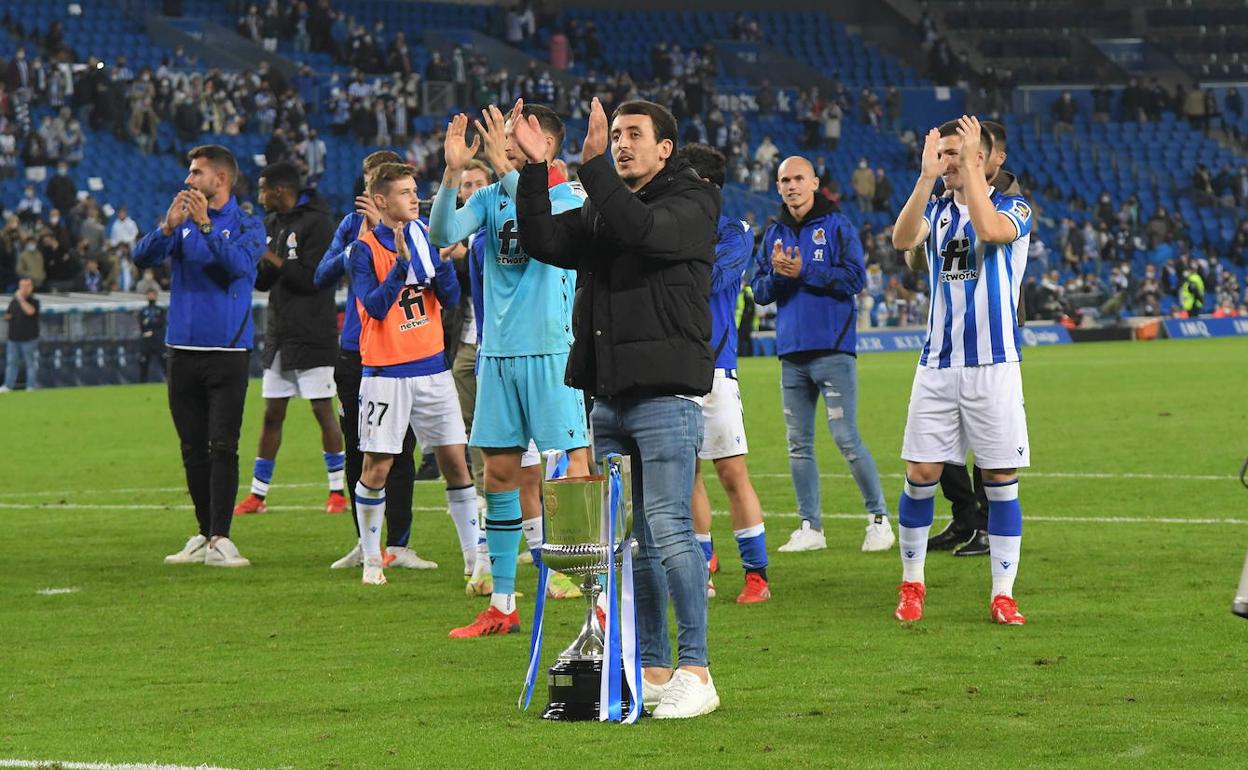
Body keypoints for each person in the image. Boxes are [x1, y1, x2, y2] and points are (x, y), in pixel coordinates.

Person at [515, 97, 720, 719]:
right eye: (617, 136)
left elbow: (641, 231)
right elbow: (544, 239)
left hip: (664, 398)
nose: (623, 144)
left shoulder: (693, 201)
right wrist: (534, 171)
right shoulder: (606, 207)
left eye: (635, 136)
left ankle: (698, 670)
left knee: (671, 530)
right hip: (607, 399)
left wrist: (596, 167)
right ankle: (653, 668)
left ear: (666, 150)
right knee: (632, 545)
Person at [430, 103, 593, 637]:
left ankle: (596, 603)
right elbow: (442, 233)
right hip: (497, 356)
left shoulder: (569, 195)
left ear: (544, 144)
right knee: (499, 474)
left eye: (516, 137)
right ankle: (503, 603)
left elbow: (540, 215)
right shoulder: (491, 196)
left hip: (550, 352)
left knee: (573, 472)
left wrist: (506, 167)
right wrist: (453, 172)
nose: (505, 143)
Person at [890, 116, 1033, 625]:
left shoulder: (1014, 208)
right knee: (921, 473)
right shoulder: (935, 208)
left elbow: (992, 230)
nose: (948, 161)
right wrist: (926, 177)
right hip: (937, 364)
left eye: (958, 153)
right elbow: (901, 239)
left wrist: (969, 170)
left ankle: (1002, 593)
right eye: (943, 153)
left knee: (999, 476)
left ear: (981, 158)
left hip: (994, 365)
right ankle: (912, 585)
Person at [314, 152, 462, 573]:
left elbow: (442, 291)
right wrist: (354, 247)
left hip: (409, 353)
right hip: (356, 352)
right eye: (366, 183)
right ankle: (366, 545)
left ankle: (398, 543)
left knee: (403, 449)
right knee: (361, 448)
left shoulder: (418, 232)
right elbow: (320, 277)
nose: (368, 192)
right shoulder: (351, 229)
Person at [751, 156, 895, 554]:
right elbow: (759, 290)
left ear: (814, 182)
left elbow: (855, 279)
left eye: (798, 178)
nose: (792, 186)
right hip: (792, 354)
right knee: (798, 445)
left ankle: (879, 520)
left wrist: (804, 274)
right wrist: (779, 276)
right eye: (784, 180)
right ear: (778, 187)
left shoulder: (838, 225)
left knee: (846, 439)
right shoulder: (774, 233)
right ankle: (810, 527)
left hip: (833, 351)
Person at [134, 144, 265, 568]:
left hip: (227, 353)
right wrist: (168, 228)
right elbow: (142, 257)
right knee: (192, 448)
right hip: (182, 351)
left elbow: (242, 269)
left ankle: (223, 538)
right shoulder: (181, 223)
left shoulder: (247, 224)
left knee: (223, 445)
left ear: (220, 179)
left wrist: (206, 228)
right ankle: (205, 532)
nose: (188, 180)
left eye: (196, 173)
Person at [347, 162, 477, 586]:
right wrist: (403, 266)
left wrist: (438, 265)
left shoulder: (426, 235)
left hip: (433, 369)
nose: (414, 198)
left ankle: (473, 559)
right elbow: (376, 307)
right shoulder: (365, 250)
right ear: (382, 201)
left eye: (414, 190)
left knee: (457, 463)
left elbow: (452, 300)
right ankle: (371, 559)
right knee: (378, 466)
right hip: (386, 373)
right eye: (405, 192)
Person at [678, 143, 770, 605]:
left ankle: (757, 576)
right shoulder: (669, 228)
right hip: (671, 368)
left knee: (732, 471)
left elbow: (708, 281)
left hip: (716, 370)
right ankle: (702, 572)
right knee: (687, 475)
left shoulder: (734, 233)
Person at [232, 161, 347, 518]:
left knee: (322, 410)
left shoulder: (318, 224)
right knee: (272, 414)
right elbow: (264, 283)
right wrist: (255, 261)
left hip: (313, 332)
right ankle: (257, 495)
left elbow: (314, 279)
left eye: (264, 189)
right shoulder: (270, 225)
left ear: (280, 190)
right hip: (280, 334)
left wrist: (270, 257)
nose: (260, 195)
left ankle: (337, 492)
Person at [2, 277, 39, 392]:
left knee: (30, 364)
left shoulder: (34, 301)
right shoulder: (14, 301)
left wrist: (21, 299)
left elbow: (30, 311)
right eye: (22, 286)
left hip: (29, 338)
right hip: (13, 338)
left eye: (27, 286)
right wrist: (8, 317)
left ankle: (30, 386)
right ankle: (8, 385)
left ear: (31, 288)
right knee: (11, 363)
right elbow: (8, 315)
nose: (24, 288)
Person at [137, 287, 166, 383]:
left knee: (163, 362)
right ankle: (142, 383)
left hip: (158, 340)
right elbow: (141, 324)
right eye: (149, 294)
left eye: (152, 294)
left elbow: (161, 323)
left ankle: (169, 381)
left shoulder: (160, 310)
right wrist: (152, 322)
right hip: (146, 341)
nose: (151, 296)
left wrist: (148, 322)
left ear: (156, 296)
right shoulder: (143, 310)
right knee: (144, 362)